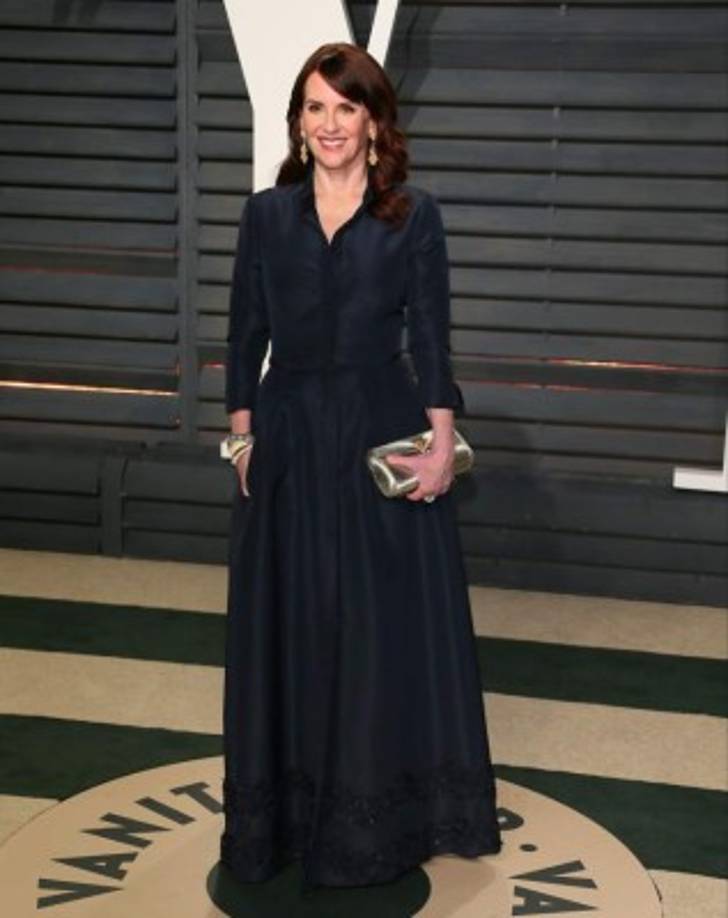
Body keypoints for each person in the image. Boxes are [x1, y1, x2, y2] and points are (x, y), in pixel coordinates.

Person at [220, 41, 502, 894]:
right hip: (290, 434)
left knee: (375, 630)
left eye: (347, 108)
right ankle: (289, 811)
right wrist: (240, 435)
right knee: (296, 620)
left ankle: (376, 814)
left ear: (374, 121)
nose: (330, 124)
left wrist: (443, 438)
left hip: (382, 425)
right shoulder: (267, 216)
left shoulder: (413, 215)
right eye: (315, 108)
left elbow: (434, 333)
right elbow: (243, 334)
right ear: (299, 124)